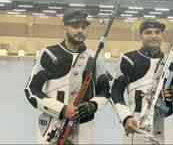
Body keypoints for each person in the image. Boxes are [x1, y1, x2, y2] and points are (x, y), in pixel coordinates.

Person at [24, 8, 111, 144]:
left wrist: (93, 105)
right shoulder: (48, 54)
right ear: (64, 27)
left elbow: (105, 91)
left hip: (84, 130)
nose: (80, 30)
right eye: (75, 26)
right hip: (52, 126)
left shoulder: (95, 57)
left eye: (83, 27)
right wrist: (62, 109)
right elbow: (31, 90)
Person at [111, 19, 173, 144]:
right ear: (140, 36)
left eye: (157, 32)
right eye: (148, 32)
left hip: (165, 123)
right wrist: (126, 117)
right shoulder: (128, 59)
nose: (153, 36)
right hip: (136, 122)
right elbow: (116, 92)